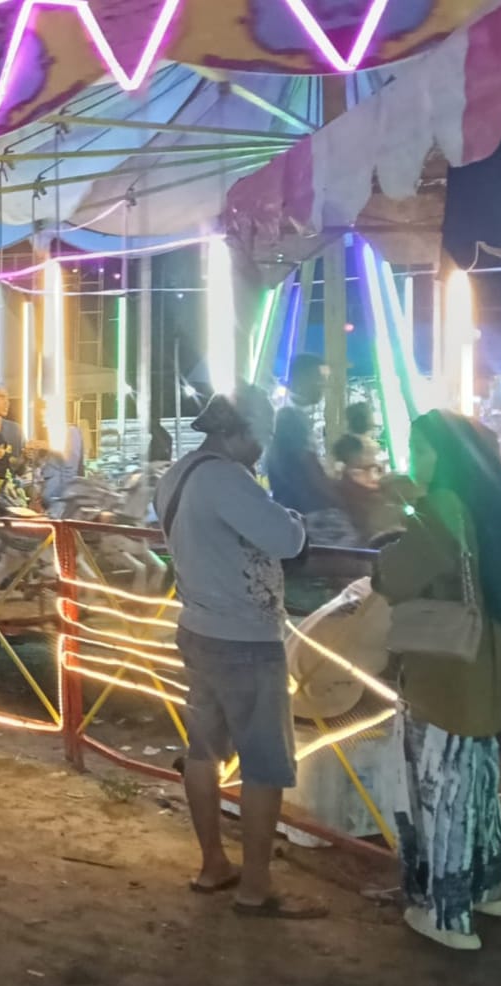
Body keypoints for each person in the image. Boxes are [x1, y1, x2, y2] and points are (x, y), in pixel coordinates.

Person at [153, 384, 326, 920]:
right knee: (264, 764)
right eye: (262, 435)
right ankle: (255, 886)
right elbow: (287, 539)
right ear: (239, 431)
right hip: (244, 638)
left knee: (203, 752)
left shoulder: (178, 474)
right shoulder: (226, 480)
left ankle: (213, 864)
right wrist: (294, 519)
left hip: (198, 628)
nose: (263, 446)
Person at [373, 411, 501, 950]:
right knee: (477, 788)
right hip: (485, 673)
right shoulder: (487, 503)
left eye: (422, 450)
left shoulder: (441, 507)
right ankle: (490, 887)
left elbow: (395, 574)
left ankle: (446, 916)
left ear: (448, 458)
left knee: (440, 792)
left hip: (448, 680)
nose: (414, 460)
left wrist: (401, 511)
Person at [265, 354, 354, 544]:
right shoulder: (291, 418)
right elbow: (309, 466)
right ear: (302, 380)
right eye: (318, 379)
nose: (323, 386)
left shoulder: (288, 416)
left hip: (297, 511)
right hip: (308, 514)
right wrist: (339, 499)